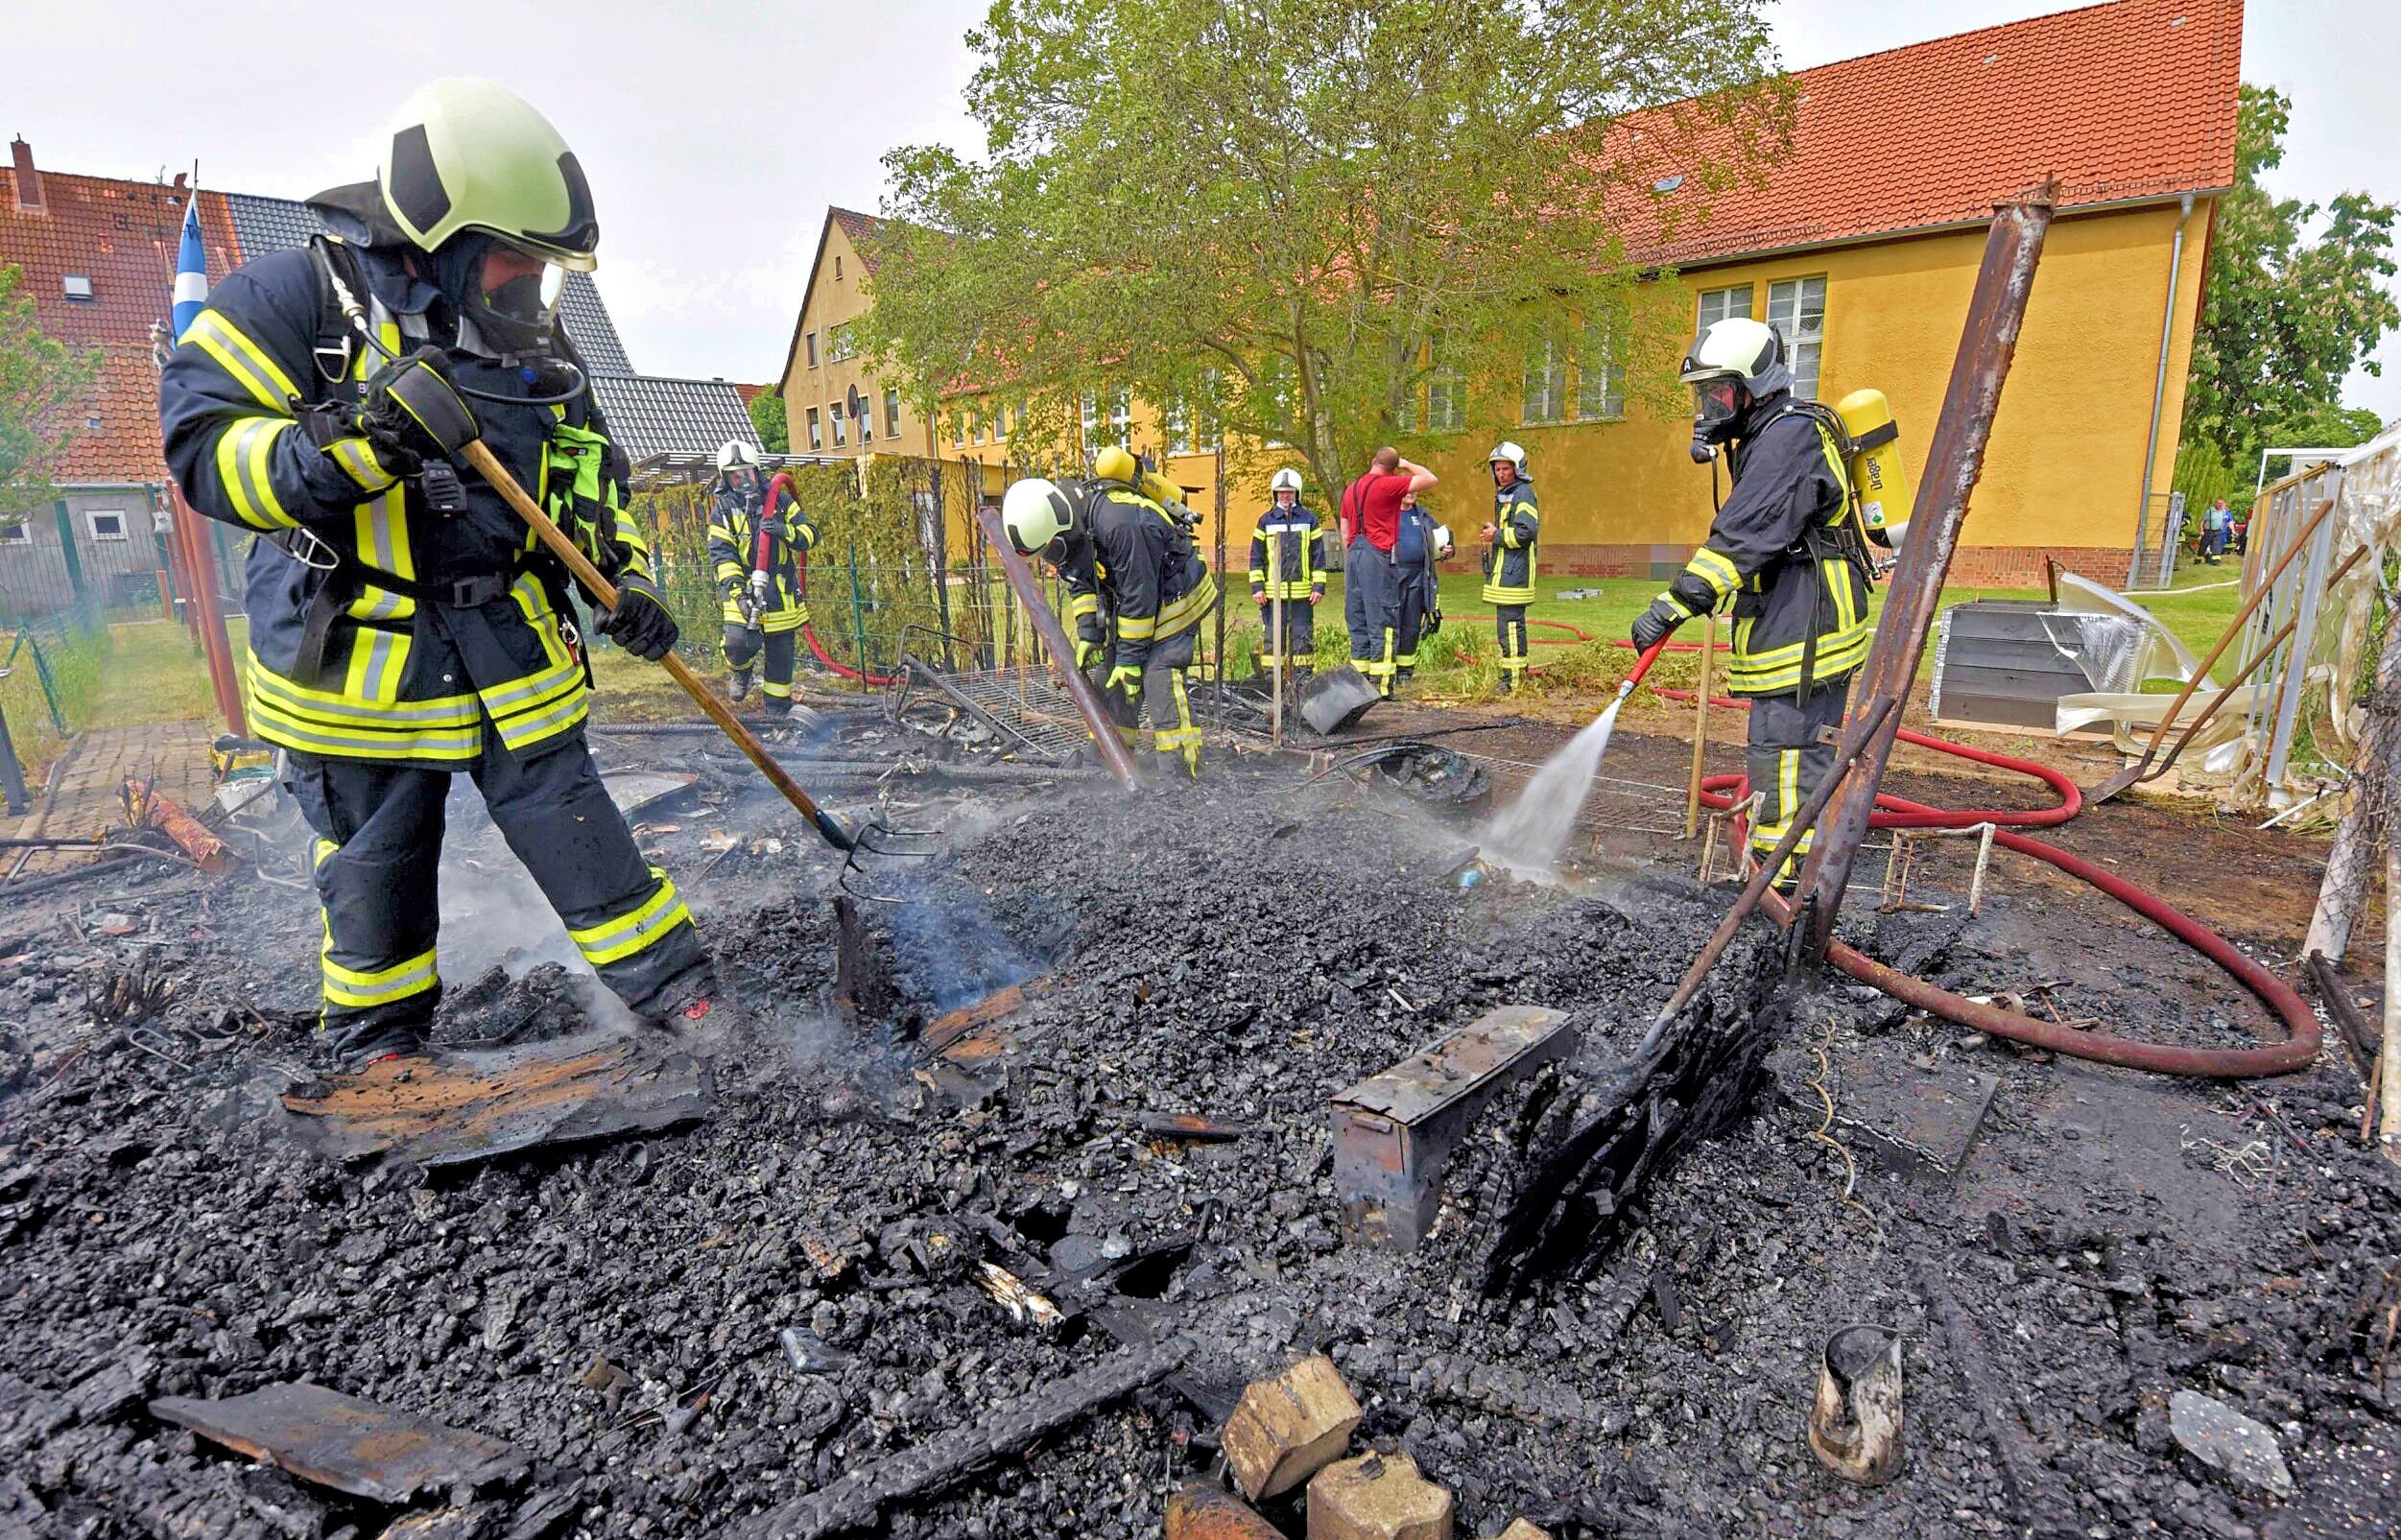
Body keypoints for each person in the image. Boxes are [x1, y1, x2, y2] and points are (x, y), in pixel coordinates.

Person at [159, 79, 715, 1067]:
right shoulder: (287, 303)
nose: (528, 284)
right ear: (441, 232)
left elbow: (590, 471)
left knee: (583, 835)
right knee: (375, 873)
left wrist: (623, 578)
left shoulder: (531, 337)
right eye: (514, 258)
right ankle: (379, 1051)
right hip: (355, 668)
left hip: (512, 654)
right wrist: (360, 440)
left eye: (541, 266)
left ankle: (685, 998)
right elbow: (208, 455)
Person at [1630, 318, 1873, 887]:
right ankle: (1778, 874)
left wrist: (1672, 605)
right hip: (1791, 617)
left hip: (1809, 624)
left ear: (1754, 387)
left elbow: (1743, 538)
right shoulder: (1767, 437)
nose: (1708, 405)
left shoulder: (1789, 438)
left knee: (1788, 757)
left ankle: (1787, 891)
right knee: (1778, 753)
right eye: (1704, 393)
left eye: (1717, 392)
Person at [1000, 460, 1221, 778]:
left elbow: (1139, 596)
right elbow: (1080, 579)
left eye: (1050, 552)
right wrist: (1090, 634)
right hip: (1142, 599)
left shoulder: (1120, 523)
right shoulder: (1069, 527)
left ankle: (1182, 770)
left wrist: (1131, 659)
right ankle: (1111, 756)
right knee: (1112, 674)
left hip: (1177, 595)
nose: (1051, 561)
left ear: (1060, 532)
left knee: (1158, 672)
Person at [705, 439, 818, 712]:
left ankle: (776, 712)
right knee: (737, 642)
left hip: (779, 590)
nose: (743, 480)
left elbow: (810, 535)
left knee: (780, 655)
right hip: (741, 587)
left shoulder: (779, 498)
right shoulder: (722, 510)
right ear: (726, 479)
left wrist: (785, 531)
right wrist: (738, 594)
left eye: (747, 473)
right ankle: (741, 672)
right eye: (735, 475)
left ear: (757, 470)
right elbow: (722, 554)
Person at [1340, 448, 1438, 696]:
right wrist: (1406, 464)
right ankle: (1382, 687)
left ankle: (1358, 686)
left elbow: (1344, 528)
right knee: (1383, 619)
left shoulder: (1351, 489)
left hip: (1354, 555)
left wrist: (1354, 555)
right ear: (1393, 469)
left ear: (1373, 461)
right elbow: (1430, 478)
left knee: (1358, 618)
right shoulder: (1388, 485)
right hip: (1378, 555)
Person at [1248, 467, 1334, 682]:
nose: (1285, 496)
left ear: (1297, 493)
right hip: (1272, 594)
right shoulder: (1265, 521)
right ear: (1274, 494)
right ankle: (1271, 679)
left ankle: (1302, 679)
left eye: (1290, 492)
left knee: (1302, 639)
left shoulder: (1309, 520)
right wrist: (1257, 588)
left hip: (1302, 594)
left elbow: (1318, 556)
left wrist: (1319, 587)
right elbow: (1256, 557)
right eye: (1281, 492)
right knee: (1273, 637)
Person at [1482, 442, 1540, 693]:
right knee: (1506, 627)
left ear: (1518, 469)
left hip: (1515, 574)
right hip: (1506, 572)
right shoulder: (1508, 494)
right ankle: (1513, 677)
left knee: (1511, 627)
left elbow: (1526, 532)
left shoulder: (1523, 493)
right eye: (1497, 469)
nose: (1501, 474)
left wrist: (1495, 535)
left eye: (1506, 469)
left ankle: (1512, 682)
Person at [1391, 487, 1451, 689]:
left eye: (1415, 490)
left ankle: (1405, 673)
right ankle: (1387, 671)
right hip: (1394, 576)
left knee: (1411, 625)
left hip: (1419, 577)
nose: (1411, 494)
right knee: (1392, 624)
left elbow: (1441, 538)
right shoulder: (1388, 514)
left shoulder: (1422, 515)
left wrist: (1448, 549)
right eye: (1407, 490)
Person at [2199, 497, 2231, 564]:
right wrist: (2201, 530)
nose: (2220, 505)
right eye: (2219, 503)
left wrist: (2222, 527)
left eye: (2221, 504)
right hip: (2208, 531)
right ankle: (2200, 557)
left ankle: (2215, 561)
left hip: (2218, 531)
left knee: (2216, 546)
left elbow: (2225, 520)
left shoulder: (2223, 511)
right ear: (2215, 503)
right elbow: (2202, 521)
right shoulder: (2209, 511)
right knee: (2203, 546)